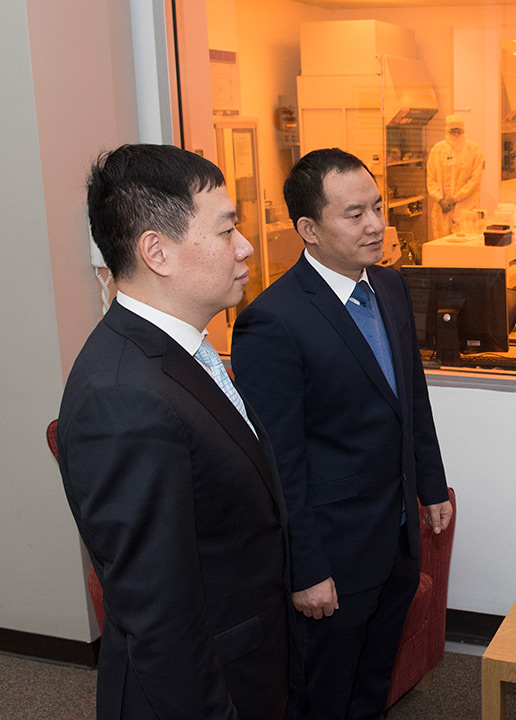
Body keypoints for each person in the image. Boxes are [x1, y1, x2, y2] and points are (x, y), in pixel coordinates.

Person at [56, 144, 289, 719]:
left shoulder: (182, 352)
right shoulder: (122, 400)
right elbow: (160, 619)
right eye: (227, 229)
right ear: (156, 251)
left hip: (250, 659)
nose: (246, 247)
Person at [231, 148, 452, 720]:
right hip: (334, 554)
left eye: (377, 207)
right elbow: (279, 462)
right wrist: (306, 569)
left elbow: (412, 400)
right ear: (309, 229)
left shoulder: (391, 288)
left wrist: (431, 486)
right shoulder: (273, 320)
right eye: (355, 214)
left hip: (397, 535)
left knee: (371, 685)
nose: (377, 224)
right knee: (324, 696)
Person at [426, 113, 484, 238]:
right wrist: (440, 199)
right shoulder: (438, 149)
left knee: (466, 245)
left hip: (466, 207)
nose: (456, 135)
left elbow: (475, 179)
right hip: (443, 209)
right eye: (453, 131)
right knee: (442, 246)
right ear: (447, 131)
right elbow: (431, 179)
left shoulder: (473, 149)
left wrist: (456, 198)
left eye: (459, 131)